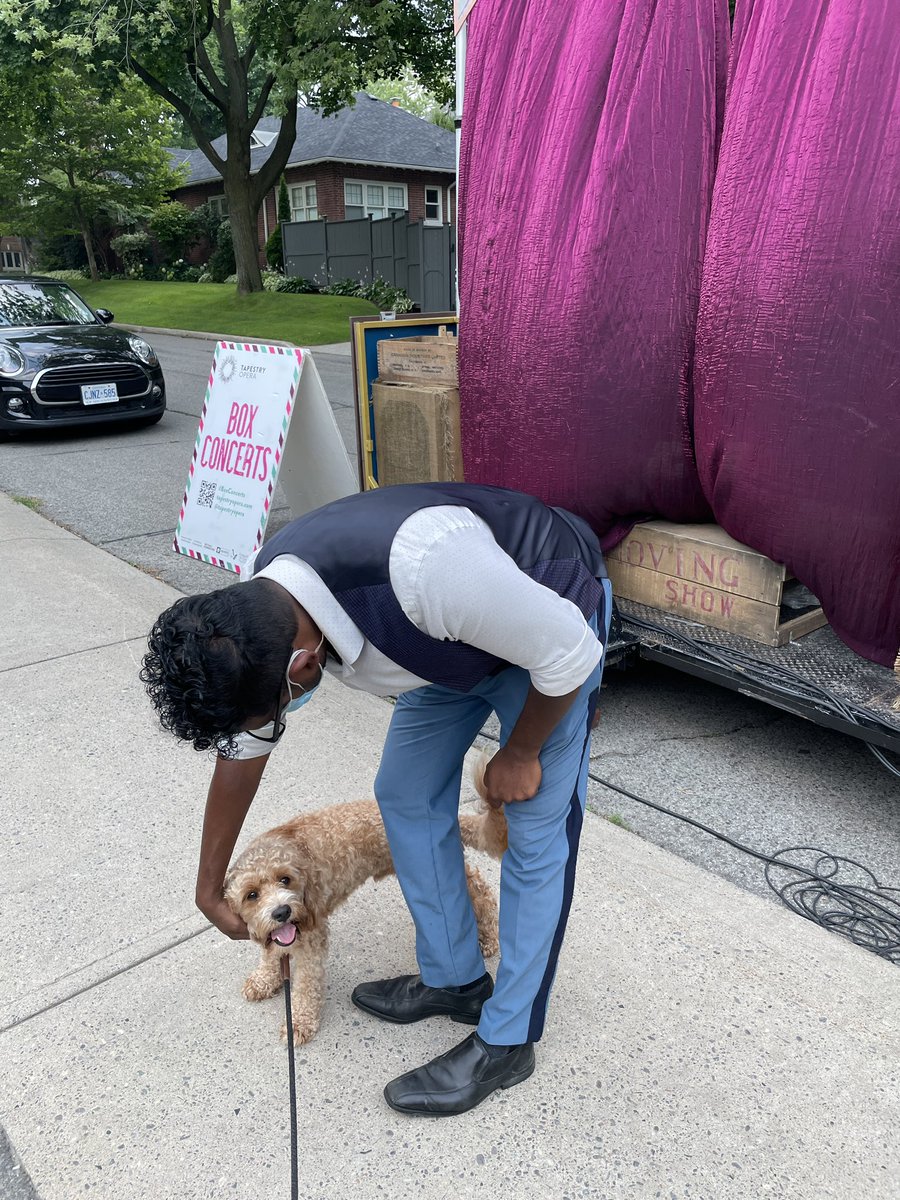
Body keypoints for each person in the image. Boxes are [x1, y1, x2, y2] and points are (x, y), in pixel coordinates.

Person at [141, 481, 612, 1117]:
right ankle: (456, 980)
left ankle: (508, 1040)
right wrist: (207, 886)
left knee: (535, 831)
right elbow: (243, 748)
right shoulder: (258, 616)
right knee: (405, 792)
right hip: (452, 641)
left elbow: (569, 651)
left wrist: (522, 751)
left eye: (272, 714)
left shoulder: (429, 570)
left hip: (549, 626)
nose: (264, 729)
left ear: (303, 668)